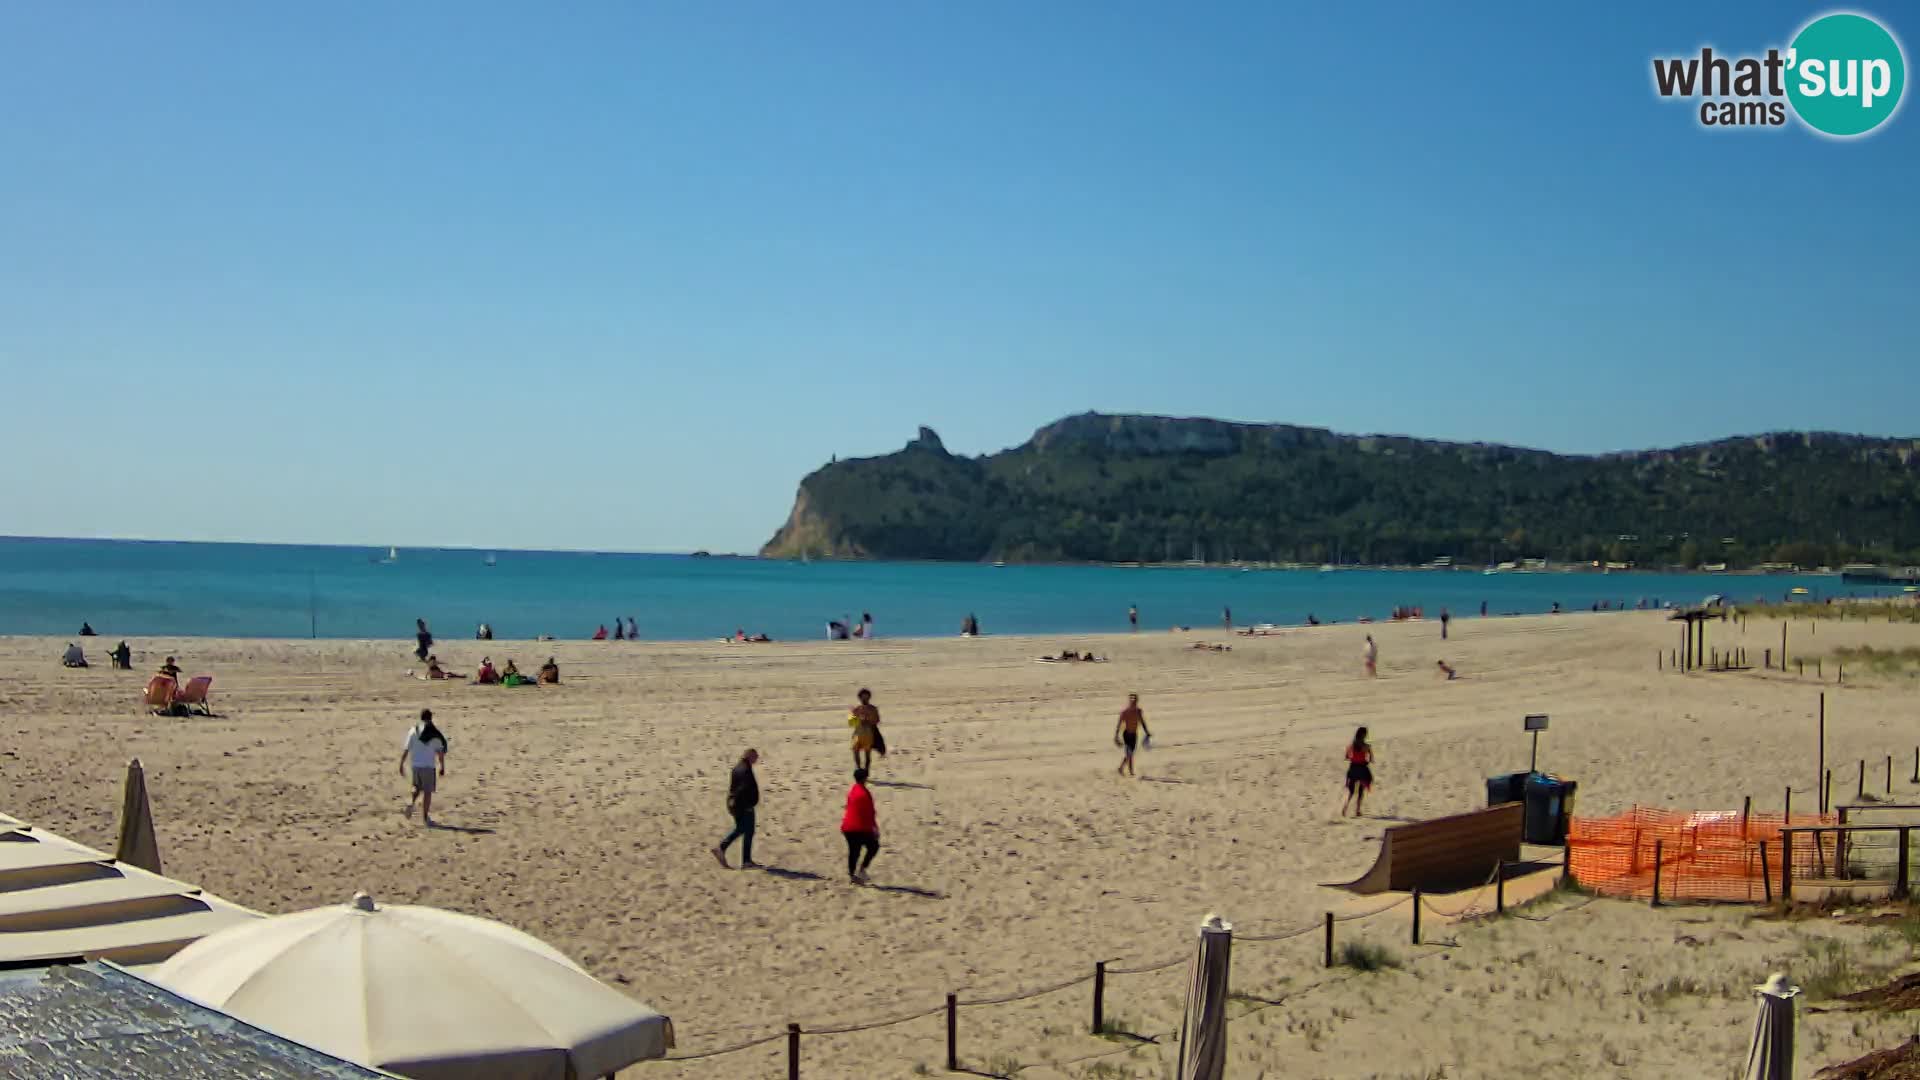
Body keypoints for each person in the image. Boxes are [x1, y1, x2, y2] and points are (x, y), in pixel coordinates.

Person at [712, 748, 761, 870]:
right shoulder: (745, 770)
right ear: (749, 756)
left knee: (743, 829)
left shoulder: (738, 767)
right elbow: (743, 789)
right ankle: (725, 849)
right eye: (755, 756)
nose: (757, 758)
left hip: (734, 803)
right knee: (746, 830)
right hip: (743, 805)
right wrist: (748, 805)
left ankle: (745, 859)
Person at [400, 709, 449, 825]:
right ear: (431, 718)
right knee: (427, 792)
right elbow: (440, 752)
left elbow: (406, 749)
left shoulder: (413, 730)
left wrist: (401, 764)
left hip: (415, 766)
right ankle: (425, 818)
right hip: (428, 766)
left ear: (421, 718)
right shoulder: (433, 733)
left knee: (416, 787)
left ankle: (411, 802)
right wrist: (442, 766)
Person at [841, 768, 880, 884]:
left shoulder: (852, 790)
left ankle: (852, 875)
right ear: (865, 779)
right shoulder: (865, 793)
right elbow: (870, 813)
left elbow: (849, 807)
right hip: (859, 828)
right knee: (873, 846)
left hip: (847, 827)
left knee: (853, 852)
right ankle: (862, 869)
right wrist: (874, 829)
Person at [1340, 727, 1374, 817]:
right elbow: (1370, 756)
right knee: (1361, 790)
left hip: (1353, 769)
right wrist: (1370, 757)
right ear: (1363, 735)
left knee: (1351, 792)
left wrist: (1352, 758)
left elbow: (1347, 756)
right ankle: (1358, 810)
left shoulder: (1352, 745)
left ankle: (1345, 808)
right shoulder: (1365, 746)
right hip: (1362, 769)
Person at [1114, 693, 1150, 777]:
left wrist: (1147, 732)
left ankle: (1123, 769)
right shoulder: (1124, 712)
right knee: (1129, 753)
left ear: (1137, 702)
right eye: (1132, 701)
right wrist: (1116, 736)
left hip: (1134, 734)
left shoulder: (1138, 711)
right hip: (1126, 734)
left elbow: (1142, 722)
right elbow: (1119, 724)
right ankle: (1128, 771)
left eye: (1135, 701)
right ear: (1129, 702)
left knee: (1131, 753)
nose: (1133, 703)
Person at [849, 688, 885, 771]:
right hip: (858, 733)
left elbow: (877, 721)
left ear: (869, 698)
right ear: (860, 698)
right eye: (863, 697)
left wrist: (868, 720)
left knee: (867, 753)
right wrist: (854, 714)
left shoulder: (873, 709)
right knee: (855, 751)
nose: (864, 699)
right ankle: (858, 768)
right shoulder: (857, 709)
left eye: (866, 697)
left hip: (868, 733)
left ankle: (866, 771)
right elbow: (851, 723)